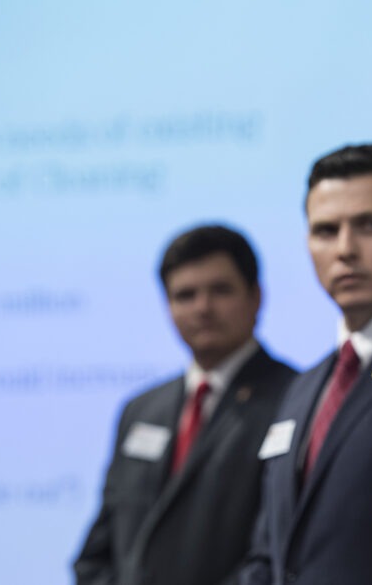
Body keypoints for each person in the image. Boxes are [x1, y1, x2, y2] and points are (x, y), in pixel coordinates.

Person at [239, 144, 372, 585]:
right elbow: (270, 547)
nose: (345, 249)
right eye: (326, 230)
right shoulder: (304, 386)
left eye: (370, 226)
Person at [74, 225, 296, 585]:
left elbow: (275, 549)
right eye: (185, 295)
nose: (203, 308)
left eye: (220, 290)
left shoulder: (294, 398)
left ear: (256, 296)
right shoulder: (141, 410)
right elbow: (98, 552)